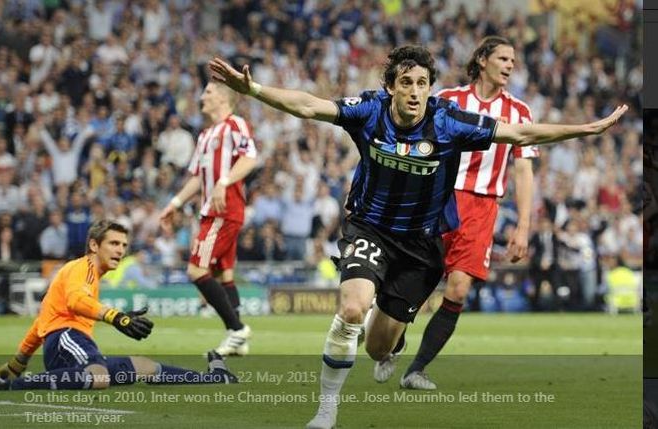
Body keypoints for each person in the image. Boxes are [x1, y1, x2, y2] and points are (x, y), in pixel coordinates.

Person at [208, 45, 626, 429]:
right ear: (390, 86)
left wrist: (586, 130)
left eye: (422, 83)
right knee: (351, 309)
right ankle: (326, 410)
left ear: (430, 88)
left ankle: (392, 331)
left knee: (376, 349)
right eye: (405, 83)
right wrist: (255, 89)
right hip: (370, 228)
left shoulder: (448, 121)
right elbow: (308, 106)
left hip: (421, 248)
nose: (414, 92)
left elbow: (519, 134)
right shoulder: (369, 111)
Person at [376, 36, 539, 389]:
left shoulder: (520, 112)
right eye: (503, 58)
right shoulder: (448, 100)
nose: (510, 65)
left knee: (459, 290)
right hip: (440, 198)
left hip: (483, 207)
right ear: (482, 60)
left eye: (513, 60)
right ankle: (393, 340)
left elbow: (523, 171)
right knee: (417, 278)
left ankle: (415, 369)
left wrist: (523, 226)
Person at [0, 220, 237, 392]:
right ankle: (13, 386)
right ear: (94, 245)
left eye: (124, 245)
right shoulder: (82, 268)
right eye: (114, 244)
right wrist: (117, 317)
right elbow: (75, 301)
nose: (120, 250)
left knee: (145, 366)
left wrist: (18, 362)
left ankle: (213, 377)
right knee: (100, 376)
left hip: (70, 344)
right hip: (66, 339)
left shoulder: (86, 274)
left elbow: (42, 320)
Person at [159, 81, 258, 356]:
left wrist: (223, 182)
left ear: (224, 99)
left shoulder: (235, 124)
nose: (202, 96)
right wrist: (174, 204)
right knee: (223, 272)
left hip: (223, 210)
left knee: (196, 270)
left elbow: (250, 158)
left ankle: (237, 329)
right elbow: (197, 178)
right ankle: (238, 342)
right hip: (212, 209)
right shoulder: (204, 135)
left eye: (208, 92)